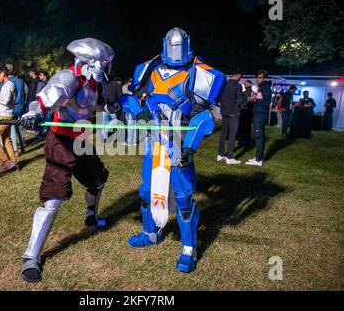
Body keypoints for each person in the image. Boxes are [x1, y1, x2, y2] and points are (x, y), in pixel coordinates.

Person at [122, 28, 225, 273]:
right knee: (148, 191)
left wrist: (190, 146)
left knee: (183, 199)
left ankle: (189, 248)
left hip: (179, 143)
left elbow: (204, 117)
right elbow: (130, 99)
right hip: (154, 142)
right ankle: (151, 232)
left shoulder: (199, 73)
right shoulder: (149, 69)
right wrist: (141, 113)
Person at [20, 38, 115, 283]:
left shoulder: (96, 83)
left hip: (81, 139)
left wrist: (118, 107)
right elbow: (46, 98)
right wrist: (34, 113)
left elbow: (107, 103)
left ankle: (91, 216)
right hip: (61, 141)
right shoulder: (69, 78)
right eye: (104, 63)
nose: (106, 67)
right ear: (92, 62)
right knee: (54, 198)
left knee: (98, 180)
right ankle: (31, 256)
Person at [245, 70, 272, 167]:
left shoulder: (266, 88)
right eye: (257, 77)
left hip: (260, 115)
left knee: (259, 137)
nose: (258, 79)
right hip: (258, 115)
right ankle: (258, 157)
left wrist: (255, 98)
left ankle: (259, 160)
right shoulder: (262, 88)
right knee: (257, 137)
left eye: (260, 77)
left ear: (265, 78)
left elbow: (265, 103)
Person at [217, 69, 244, 164]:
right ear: (238, 75)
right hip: (234, 113)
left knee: (223, 133)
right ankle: (230, 157)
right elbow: (240, 101)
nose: (241, 78)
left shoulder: (224, 84)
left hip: (224, 112)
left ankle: (220, 154)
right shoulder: (238, 86)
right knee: (232, 135)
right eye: (241, 76)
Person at [6, 64, 26, 156]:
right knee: (19, 128)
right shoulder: (20, 81)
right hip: (20, 107)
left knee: (12, 128)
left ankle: (14, 149)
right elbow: (23, 94)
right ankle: (22, 146)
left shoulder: (8, 82)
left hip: (12, 107)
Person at [102, 76, 122, 141]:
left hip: (104, 105)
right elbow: (120, 95)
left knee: (104, 121)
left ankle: (104, 137)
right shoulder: (117, 84)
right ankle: (116, 137)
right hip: (112, 106)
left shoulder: (106, 84)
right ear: (118, 81)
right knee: (116, 121)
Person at [237, 80, 254, 148]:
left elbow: (251, 101)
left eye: (246, 83)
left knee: (246, 127)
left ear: (250, 83)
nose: (244, 84)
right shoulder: (244, 92)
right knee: (243, 127)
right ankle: (242, 141)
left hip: (247, 111)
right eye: (244, 83)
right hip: (243, 111)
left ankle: (245, 142)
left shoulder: (252, 92)